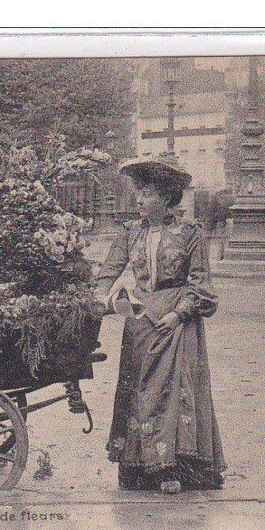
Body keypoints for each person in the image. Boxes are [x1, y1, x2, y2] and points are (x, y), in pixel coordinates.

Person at [96, 158, 225, 494]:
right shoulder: (130, 232)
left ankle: (174, 467)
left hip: (176, 322)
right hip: (140, 321)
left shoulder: (189, 233)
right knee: (140, 390)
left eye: (147, 193)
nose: (139, 200)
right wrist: (97, 296)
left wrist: (180, 313)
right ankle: (140, 468)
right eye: (138, 192)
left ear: (167, 198)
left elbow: (201, 283)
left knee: (172, 392)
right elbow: (109, 271)